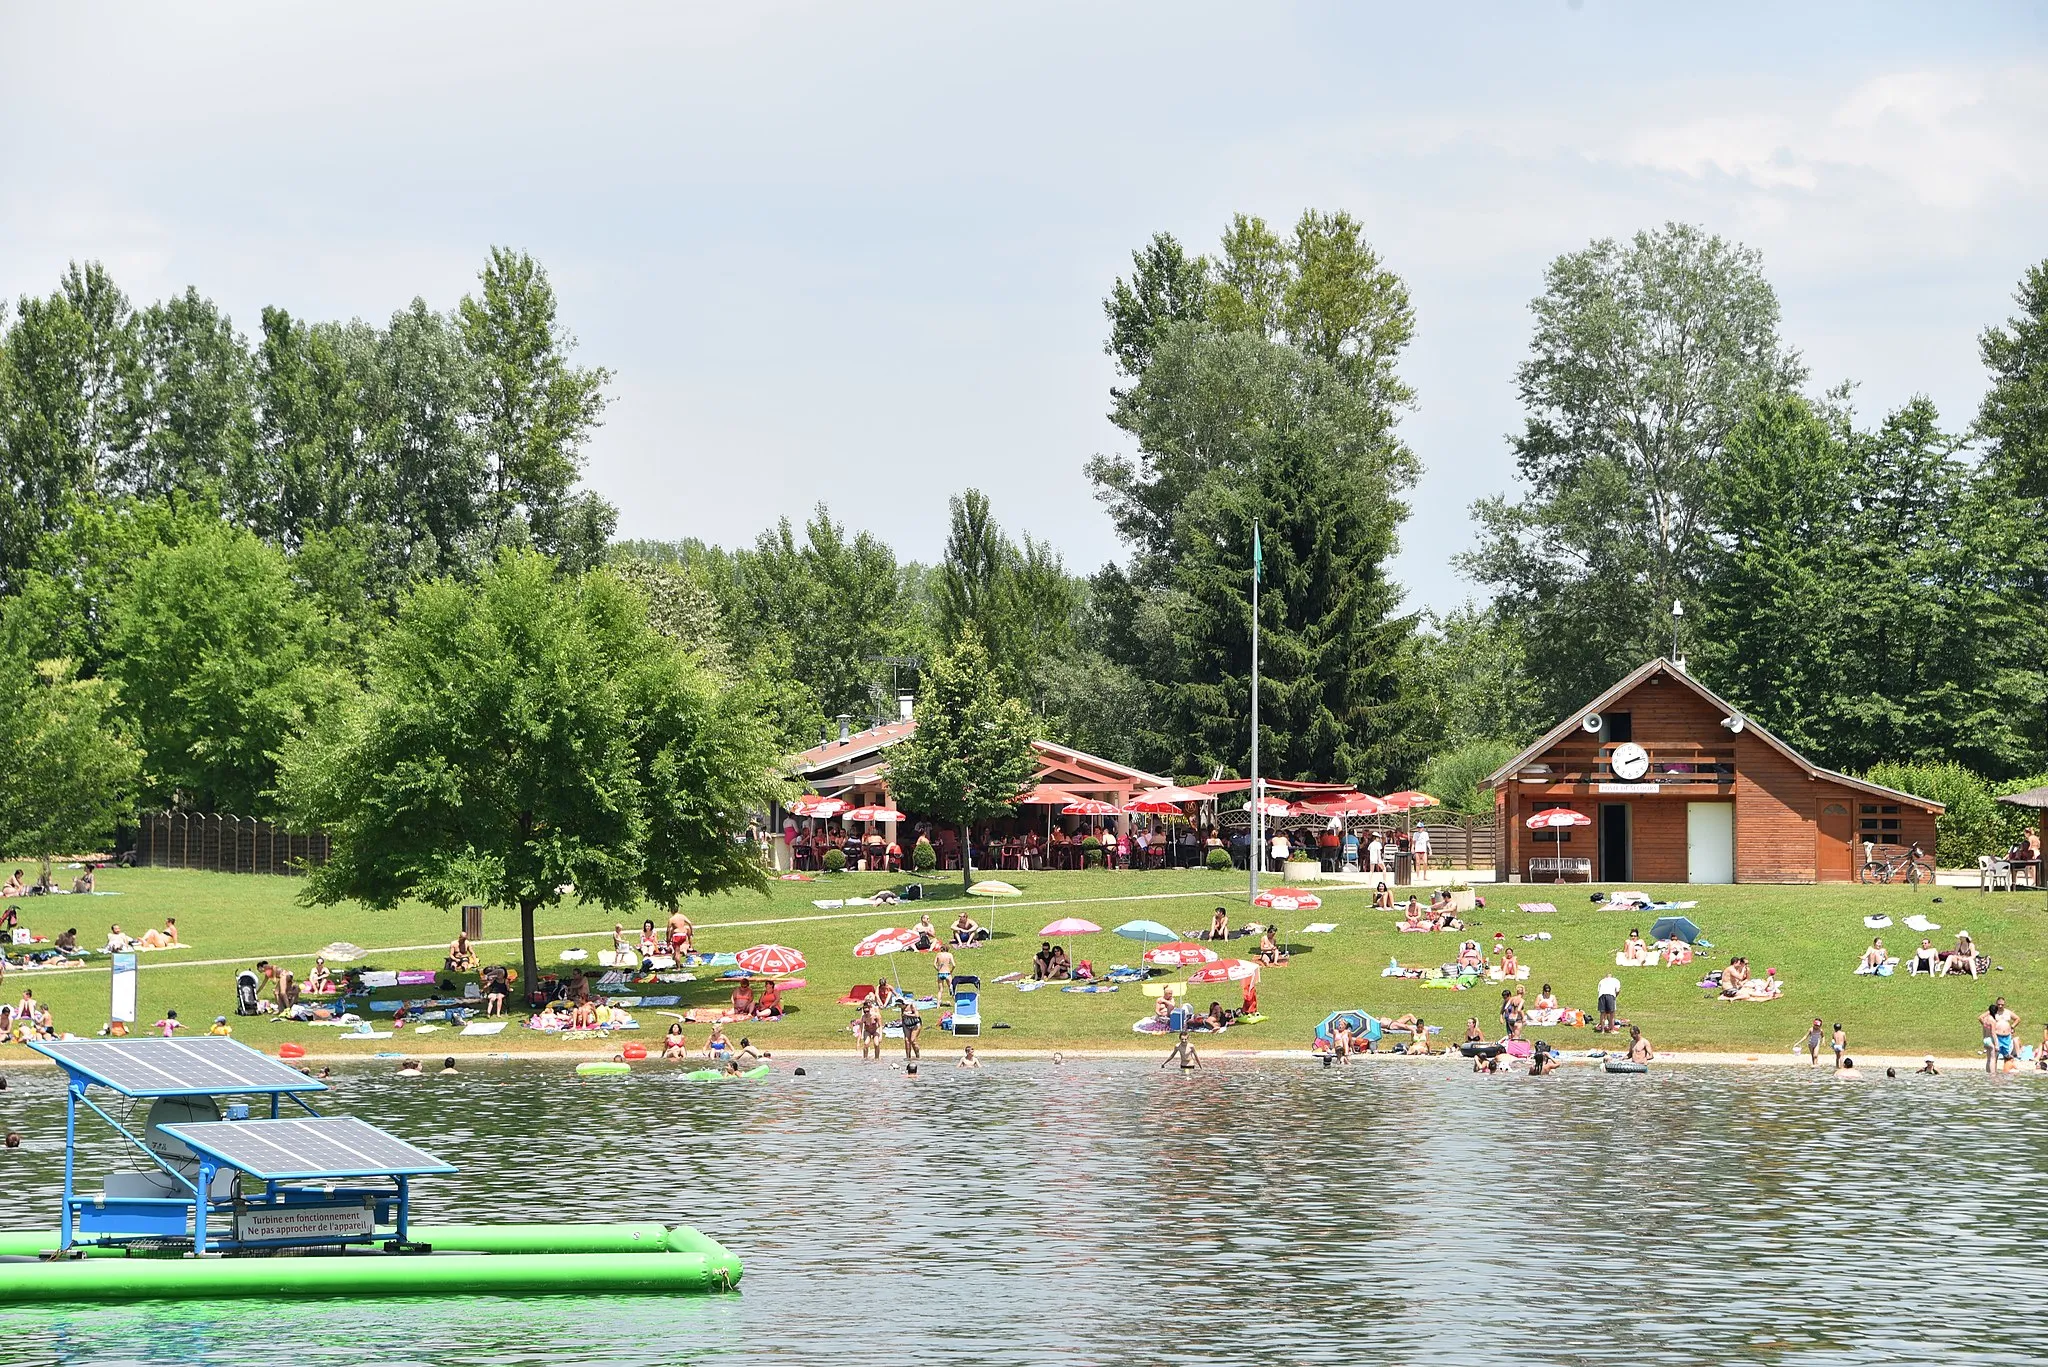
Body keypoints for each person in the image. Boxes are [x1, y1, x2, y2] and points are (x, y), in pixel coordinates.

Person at [899, 995, 922, 1062]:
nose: (899, 1007)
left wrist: (907, 1015)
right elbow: (903, 1018)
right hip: (906, 1025)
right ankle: (908, 1057)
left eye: (900, 1005)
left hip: (915, 1024)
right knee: (906, 1040)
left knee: (913, 1040)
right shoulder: (902, 1008)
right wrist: (904, 1027)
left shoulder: (911, 1006)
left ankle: (917, 1056)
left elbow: (917, 1015)